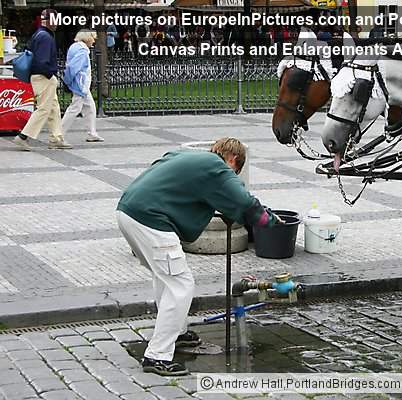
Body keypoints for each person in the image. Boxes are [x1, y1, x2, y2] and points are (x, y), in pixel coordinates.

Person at [116, 138, 281, 376]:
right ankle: (157, 356)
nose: (232, 175)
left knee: (165, 277)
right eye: (236, 171)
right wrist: (269, 219)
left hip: (128, 212)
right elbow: (244, 203)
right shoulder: (217, 168)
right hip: (151, 221)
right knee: (181, 285)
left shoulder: (185, 156)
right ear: (234, 160)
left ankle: (179, 333)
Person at [14, 9, 71, 151]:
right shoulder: (46, 37)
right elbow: (42, 61)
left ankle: (56, 137)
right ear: (49, 21)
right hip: (43, 77)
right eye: (55, 20)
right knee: (44, 108)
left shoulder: (38, 34)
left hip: (40, 76)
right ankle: (23, 137)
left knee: (53, 107)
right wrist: (50, 73)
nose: (57, 23)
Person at [61, 30, 104, 143]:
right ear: (87, 38)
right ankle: (59, 134)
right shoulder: (82, 50)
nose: (94, 41)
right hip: (80, 85)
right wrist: (68, 81)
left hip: (80, 84)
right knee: (75, 108)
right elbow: (74, 68)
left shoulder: (75, 47)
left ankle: (92, 133)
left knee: (90, 107)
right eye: (93, 38)